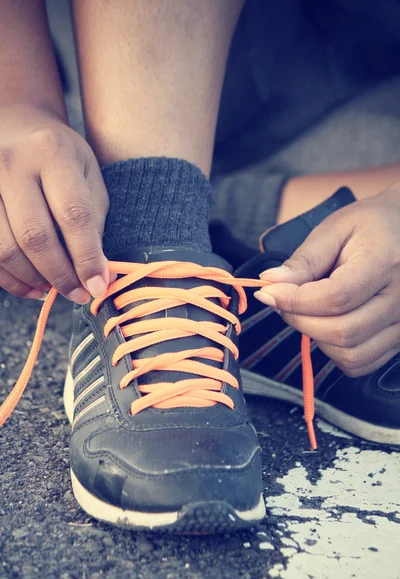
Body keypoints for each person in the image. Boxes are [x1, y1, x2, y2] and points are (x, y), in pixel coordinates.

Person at [0, 0, 399, 532]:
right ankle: (147, 227)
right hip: (105, 78)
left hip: (352, 111)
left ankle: (204, 242)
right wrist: (14, 99)